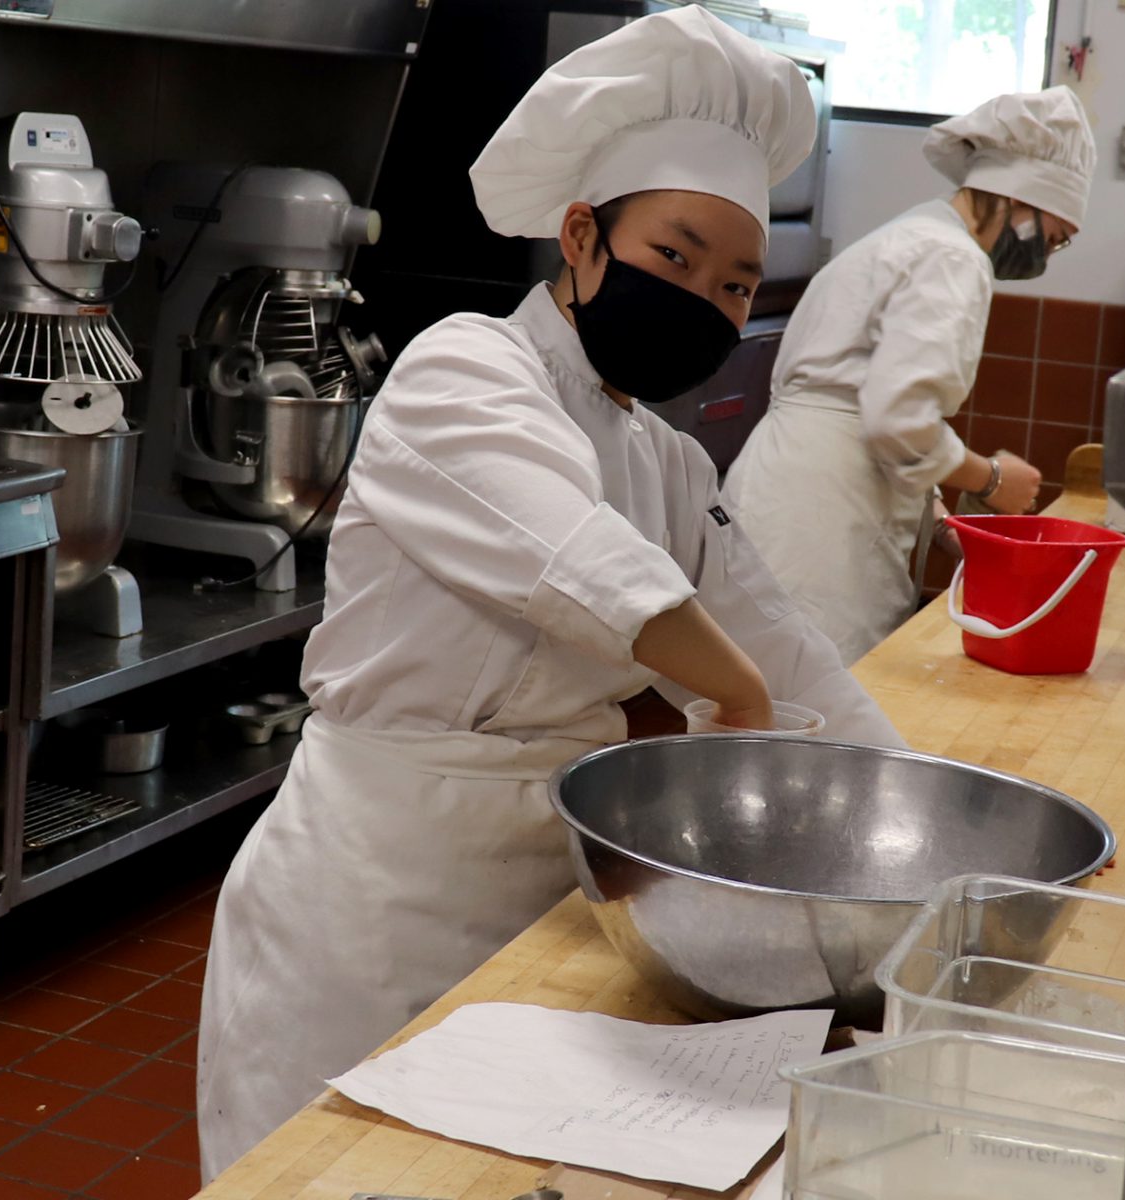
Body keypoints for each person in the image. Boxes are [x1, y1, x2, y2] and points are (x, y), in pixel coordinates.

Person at [195, 8, 903, 1180]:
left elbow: (780, 640)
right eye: (672, 259)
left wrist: (914, 835)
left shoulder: (668, 460)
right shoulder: (463, 368)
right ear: (581, 236)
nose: (707, 304)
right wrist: (725, 687)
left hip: (548, 882)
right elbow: (577, 561)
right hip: (376, 886)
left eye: (735, 286)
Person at [722, 87, 1097, 665]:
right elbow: (897, 418)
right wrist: (992, 477)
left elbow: (871, 408)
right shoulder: (953, 258)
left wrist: (946, 523)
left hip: (795, 488)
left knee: (767, 703)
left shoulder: (912, 235)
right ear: (1023, 204)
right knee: (811, 717)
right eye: (1051, 238)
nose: (1044, 255)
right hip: (824, 518)